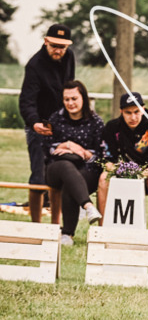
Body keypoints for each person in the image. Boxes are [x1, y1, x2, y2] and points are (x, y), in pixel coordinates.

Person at [18, 23, 76, 222]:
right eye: (54, 46)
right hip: (38, 125)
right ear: (46, 42)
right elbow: (26, 101)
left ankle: (55, 225)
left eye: (63, 46)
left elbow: (70, 88)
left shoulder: (70, 58)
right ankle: (36, 225)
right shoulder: (34, 65)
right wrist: (34, 123)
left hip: (61, 124)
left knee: (59, 174)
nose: (58, 50)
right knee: (39, 175)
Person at [44, 81, 103, 245]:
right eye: (66, 99)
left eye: (74, 98)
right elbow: (46, 147)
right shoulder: (55, 118)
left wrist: (83, 152)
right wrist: (66, 145)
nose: (70, 103)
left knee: (72, 181)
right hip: (56, 167)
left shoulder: (96, 121)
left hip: (86, 169)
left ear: (83, 98)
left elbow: (101, 154)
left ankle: (67, 234)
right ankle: (88, 206)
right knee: (66, 167)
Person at [97, 92, 148, 230]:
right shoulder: (112, 127)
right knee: (103, 178)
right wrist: (119, 171)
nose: (133, 117)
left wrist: (140, 175)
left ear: (143, 109)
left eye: (137, 112)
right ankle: (102, 230)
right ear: (121, 111)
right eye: (128, 113)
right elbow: (105, 158)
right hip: (119, 172)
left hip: (145, 174)